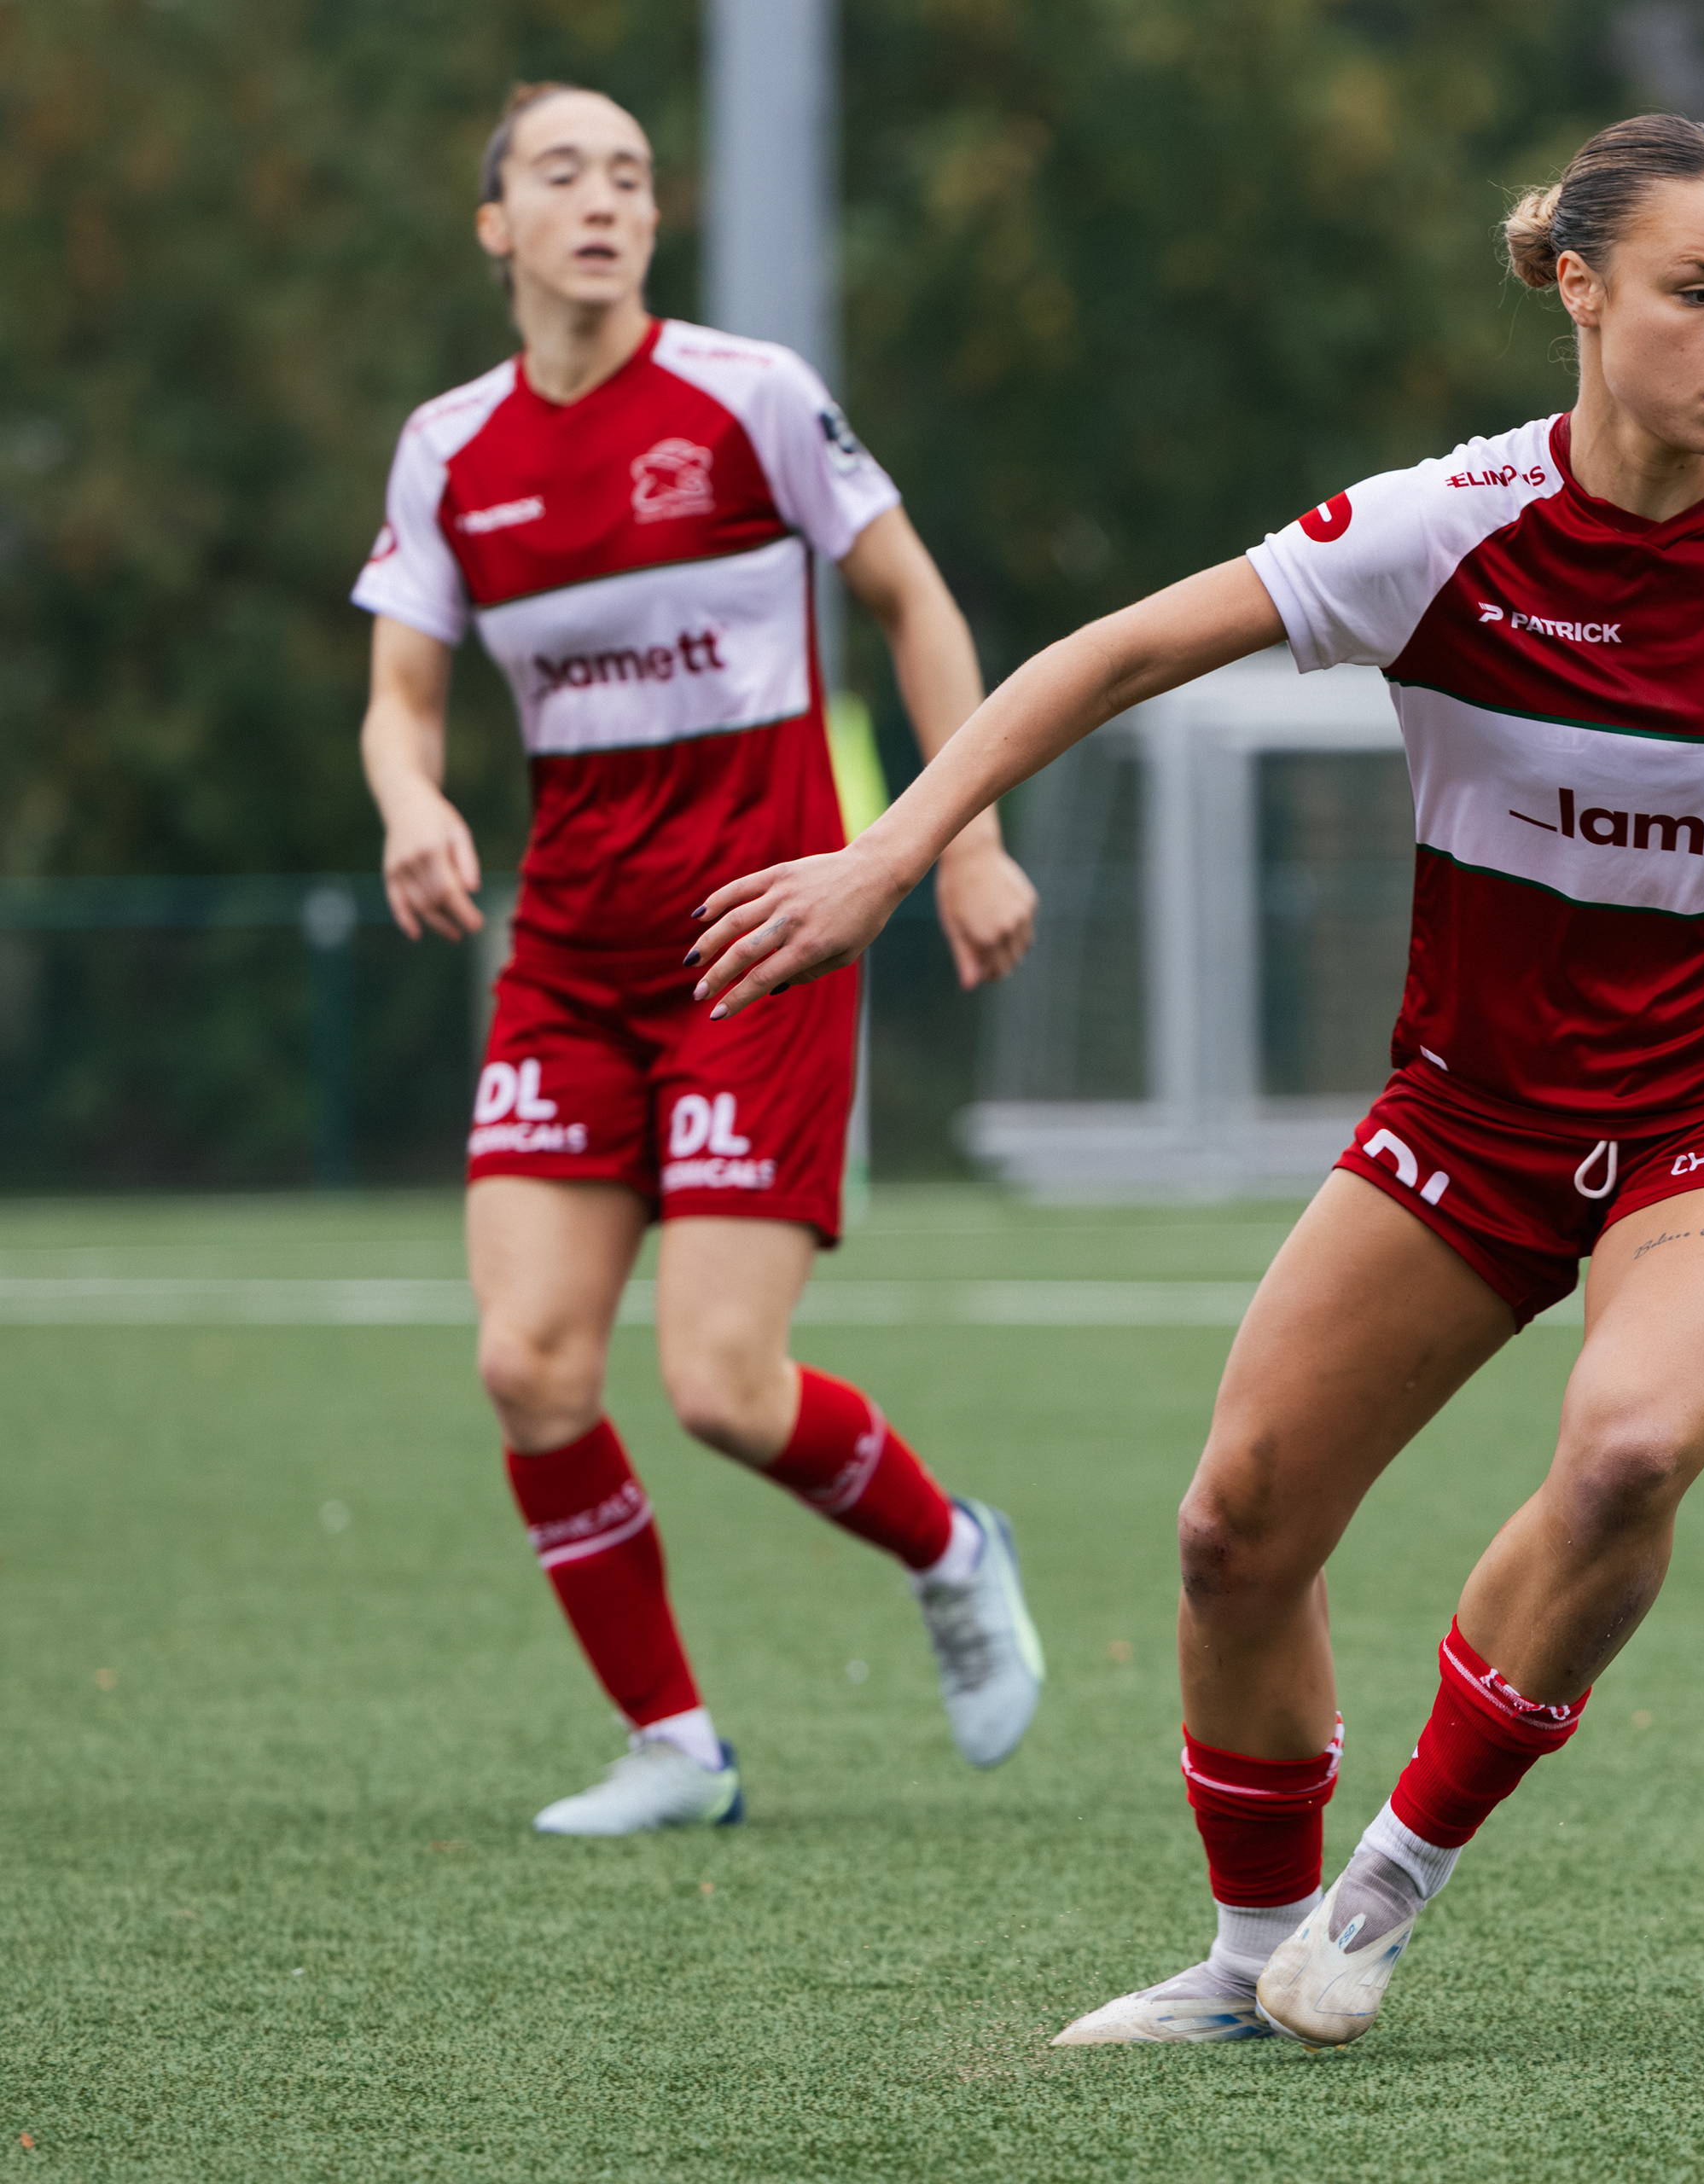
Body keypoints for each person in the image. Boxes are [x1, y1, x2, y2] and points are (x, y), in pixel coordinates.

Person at [684, 113, 1704, 2045]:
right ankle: (1242, 1957)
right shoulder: (1445, 529)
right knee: (1234, 1523)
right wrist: (896, 845)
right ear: (1579, 289)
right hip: (1476, 1113)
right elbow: (1111, 654)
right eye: (1700, 290)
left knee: (1624, 1453)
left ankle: (1388, 1881)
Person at [352, 84, 1050, 1835]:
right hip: (570, 960)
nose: (604, 201)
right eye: (561, 175)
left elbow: (916, 600)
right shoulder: (451, 452)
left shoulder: (750, 399)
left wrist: (957, 841)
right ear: (496, 226)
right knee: (528, 1362)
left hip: (762, 943)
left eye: (632, 177)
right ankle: (676, 1741)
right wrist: (410, 804)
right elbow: (401, 699)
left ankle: (953, 1549)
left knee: (721, 1384)